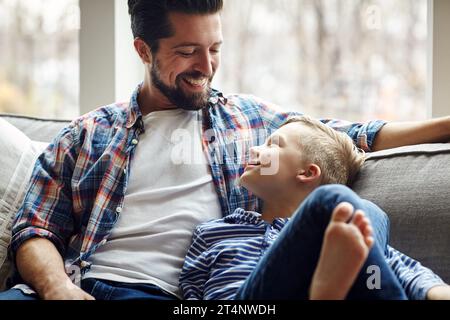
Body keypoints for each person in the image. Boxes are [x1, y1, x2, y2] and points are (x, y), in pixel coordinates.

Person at [1, 0, 450, 300]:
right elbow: (36, 227)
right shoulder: (87, 134)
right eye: (188, 51)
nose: (207, 66)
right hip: (85, 284)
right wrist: (57, 287)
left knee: (346, 209)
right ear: (143, 50)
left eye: (214, 48)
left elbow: (353, 134)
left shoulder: (250, 122)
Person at [179, 116, 447, 300]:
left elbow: (404, 272)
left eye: (272, 144)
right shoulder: (212, 232)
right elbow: (190, 293)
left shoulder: (339, 237)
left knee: (365, 241)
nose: (254, 150)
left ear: (307, 173)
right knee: (353, 209)